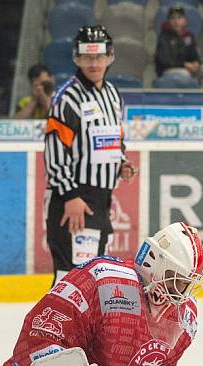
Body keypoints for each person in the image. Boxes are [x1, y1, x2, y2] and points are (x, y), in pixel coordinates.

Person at [0, 222, 203, 366]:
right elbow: (40, 336)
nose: (182, 294)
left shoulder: (184, 319)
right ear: (154, 262)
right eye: (177, 280)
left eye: (188, 286)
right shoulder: (103, 278)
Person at [44, 25, 137, 284]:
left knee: (92, 278)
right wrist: (70, 196)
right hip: (75, 199)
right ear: (77, 58)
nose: (93, 63)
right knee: (71, 278)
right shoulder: (67, 98)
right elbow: (55, 154)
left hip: (101, 198)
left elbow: (113, 138)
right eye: (87, 57)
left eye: (99, 57)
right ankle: (51, 325)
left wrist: (121, 162)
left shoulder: (112, 94)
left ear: (110, 57)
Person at [154, 5, 202, 80]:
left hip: (189, 69)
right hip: (169, 70)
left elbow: (195, 55)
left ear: (184, 21)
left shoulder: (189, 36)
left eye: (179, 18)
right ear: (169, 21)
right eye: (173, 18)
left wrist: (196, 63)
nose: (176, 21)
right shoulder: (164, 37)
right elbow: (164, 60)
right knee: (184, 73)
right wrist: (184, 65)